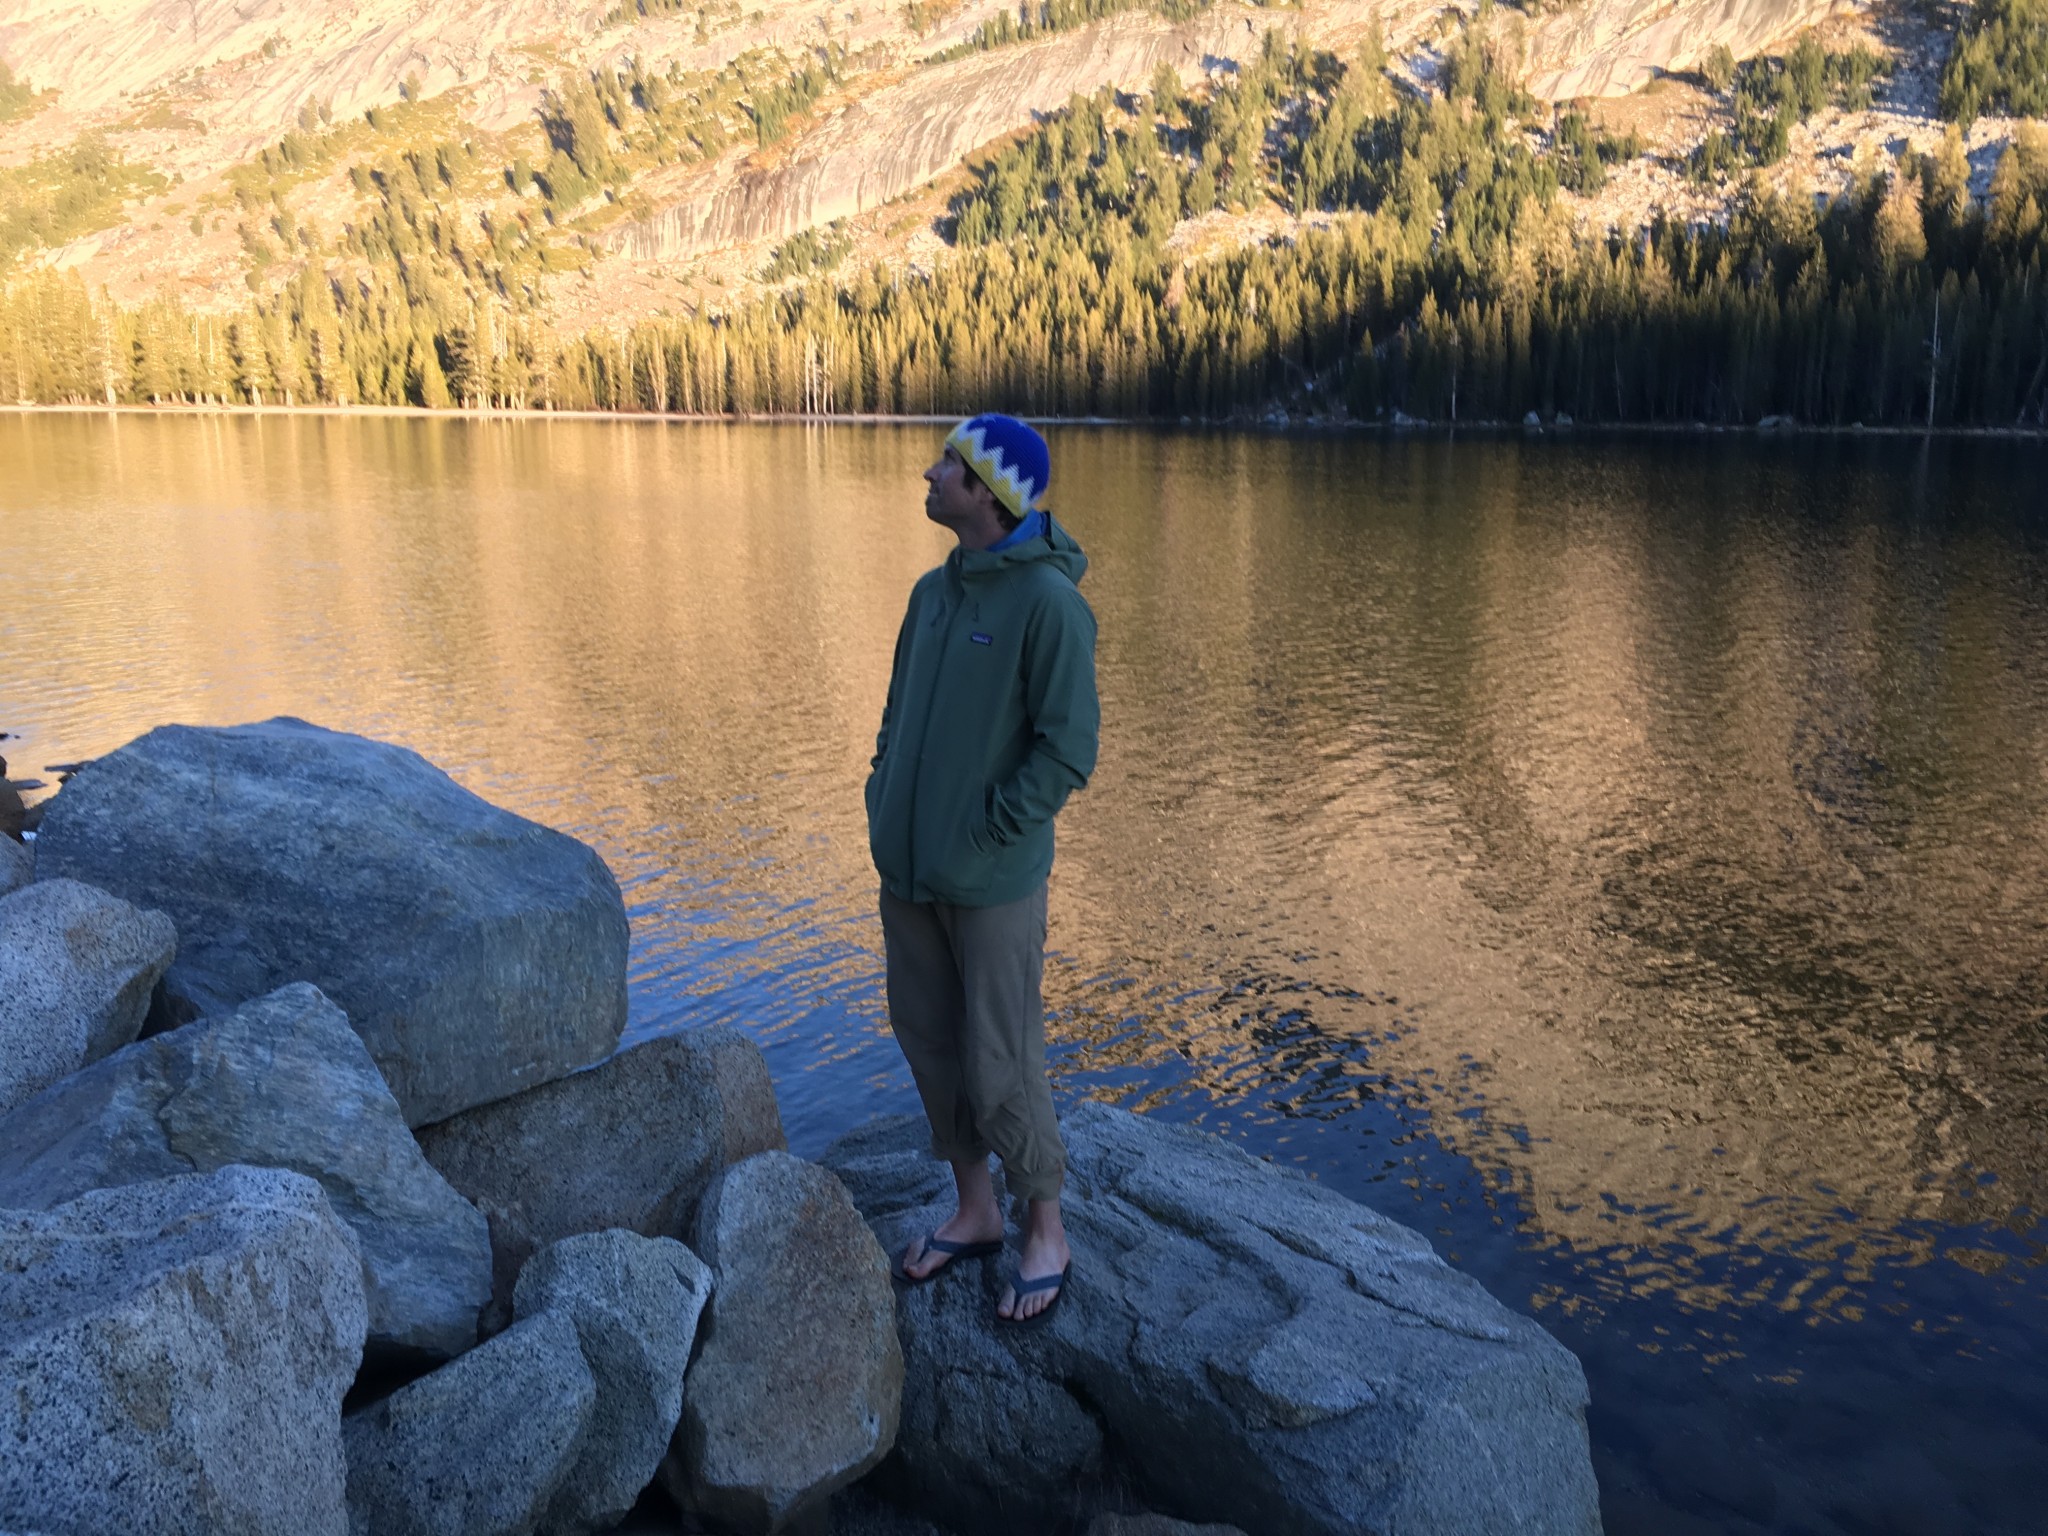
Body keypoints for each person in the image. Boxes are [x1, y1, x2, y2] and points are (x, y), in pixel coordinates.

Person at [865, 413, 1100, 1324]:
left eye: (950, 465)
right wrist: (884, 794)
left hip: (993, 883)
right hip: (909, 873)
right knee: (927, 1039)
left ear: (990, 493)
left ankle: (1047, 1230)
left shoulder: (1049, 607)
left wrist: (989, 832)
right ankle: (976, 1211)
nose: (930, 474)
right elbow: (896, 715)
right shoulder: (933, 593)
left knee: (1001, 1059)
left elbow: (1067, 751)